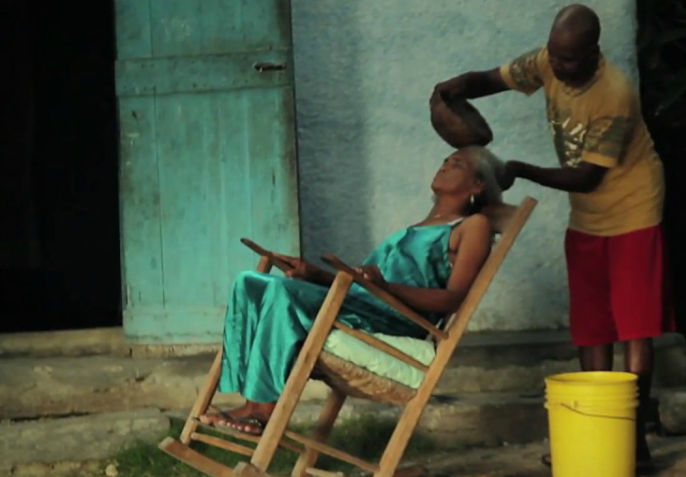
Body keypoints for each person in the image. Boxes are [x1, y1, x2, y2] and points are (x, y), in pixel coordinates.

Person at [433, 4, 671, 472]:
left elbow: (587, 178)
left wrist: (519, 169)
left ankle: (632, 435)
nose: (558, 68)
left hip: (633, 208)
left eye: (568, 60)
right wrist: (454, 88)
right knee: (592, 324)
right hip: (588, 217)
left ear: (593, 53)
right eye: (555, 58)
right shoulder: (547, 60)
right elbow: (493, 79)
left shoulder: (615, 94)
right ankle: (596, 429)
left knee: (634, 326)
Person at [200, 147, 505, 434]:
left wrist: (385, 287)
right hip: (364, 304)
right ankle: (251, 400)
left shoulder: (473, 225)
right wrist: (313, 274)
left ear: (477, 185)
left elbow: (454, 300)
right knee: (249, 283)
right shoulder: (419, 227)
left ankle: (264, 410)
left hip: (395, 318)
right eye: (445, 160)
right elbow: (360, 289)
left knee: (280, 293)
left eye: (457, 164)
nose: (445, 165)